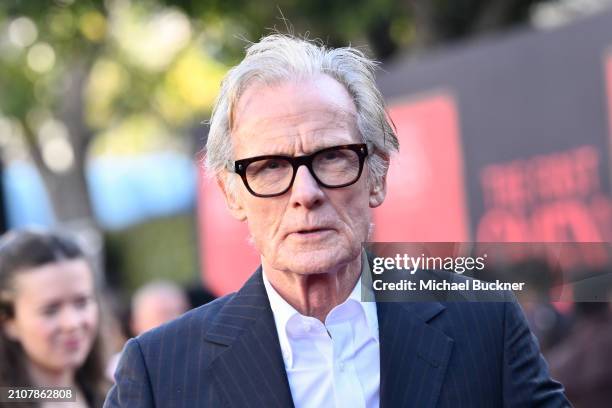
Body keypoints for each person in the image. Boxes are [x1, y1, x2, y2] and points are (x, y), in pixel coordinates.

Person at [105, 34, 570, 407]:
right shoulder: (159, 372)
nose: (305, 194)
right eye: (269, 167)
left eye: (331, 157)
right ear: (232, 193)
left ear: (378, 174)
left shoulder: (482, 322)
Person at [0, 229, 108, 407]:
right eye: (50, 310)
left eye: (81, 303)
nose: (72, 323)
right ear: (9, 322)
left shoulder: (116, 394)